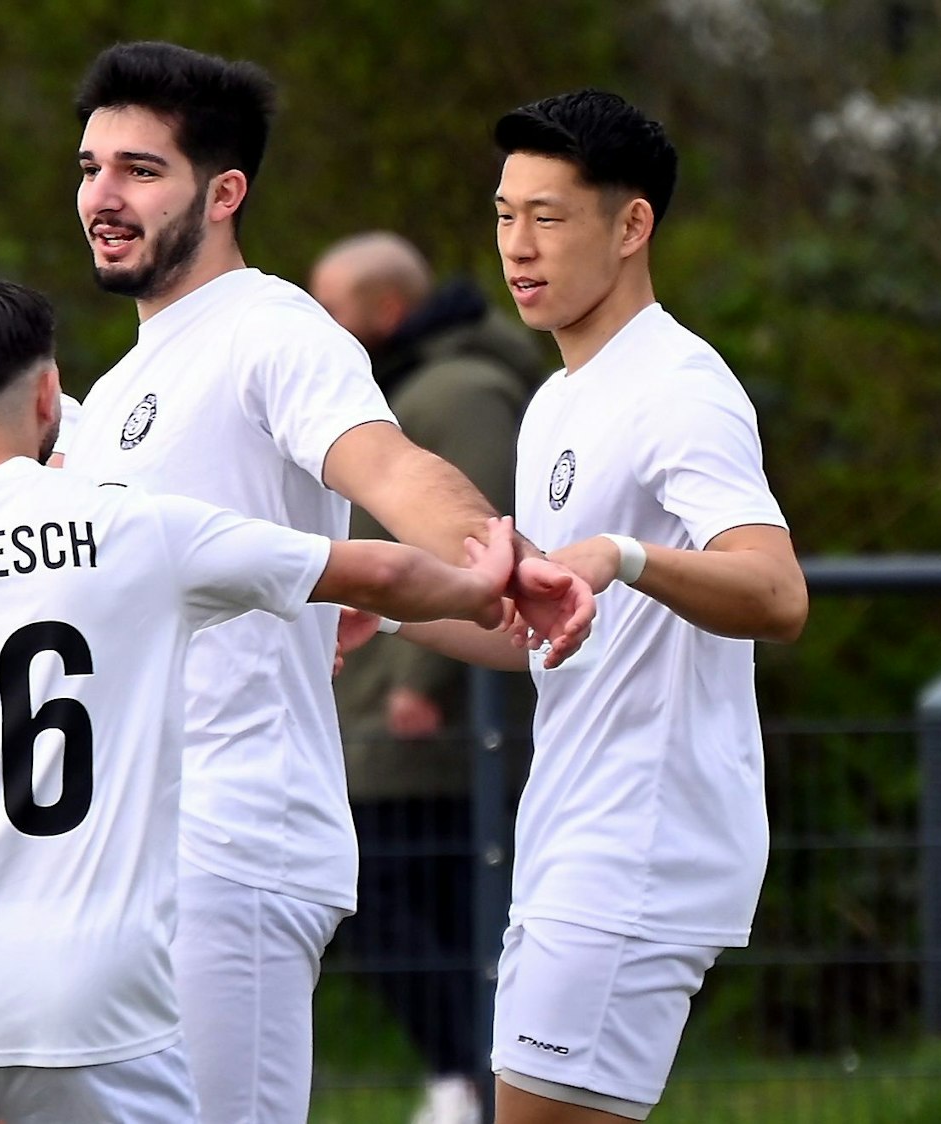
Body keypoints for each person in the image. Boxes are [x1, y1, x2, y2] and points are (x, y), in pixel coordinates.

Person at [0, 278, 518, 1123]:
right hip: (99, 998)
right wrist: (487, 584)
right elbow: (380, 569)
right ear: (48, 397)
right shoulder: (138, 529)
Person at [63, 40, 595, 1123]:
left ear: (224, 192)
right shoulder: (118, 382)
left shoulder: (273, 329)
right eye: (89, 166)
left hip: (234, 844)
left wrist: (485, 551)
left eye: (139, 169)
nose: (102, 197)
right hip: (115, 851)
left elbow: (389, 466)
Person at [407, 89, 808, 1122]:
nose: (518, 245)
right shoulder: (558, 399)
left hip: (637, 846)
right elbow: (548, 638)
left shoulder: (679, 387)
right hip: (576, 834)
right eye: (505, 214)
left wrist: (627, 556)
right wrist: (378, 611)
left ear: (632, 226)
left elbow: (777, 591)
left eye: (550, 215)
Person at [310, 230, 551, 1124]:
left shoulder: (459, 394)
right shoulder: (413, 390)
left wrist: (419, 678)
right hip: (397, 699)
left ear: (386, 310)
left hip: (426, 715)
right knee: (423, 909)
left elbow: (476, 544)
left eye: (333, 307)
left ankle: (471, 1079)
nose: (322, 325)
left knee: (388, 898)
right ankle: (471, 1078)